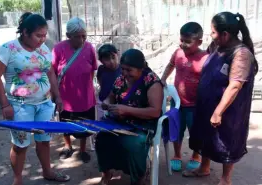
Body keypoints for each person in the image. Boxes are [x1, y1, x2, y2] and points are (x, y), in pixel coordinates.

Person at [0, 12, 70, 185]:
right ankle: (17, 180)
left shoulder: (44, 49)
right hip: (20, 106)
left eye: (44, 35)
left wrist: (58, 97)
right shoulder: (7, 49)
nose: (42, 39)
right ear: (25, 32)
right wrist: (4, 105)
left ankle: (47, 172)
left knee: (44, 140)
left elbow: (50, 73)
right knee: (20, 145)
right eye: (38, 35)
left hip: (44, 104)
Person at [183, 12, 258, 185]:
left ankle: (225, 179)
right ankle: (204, 167)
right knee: (205, 135)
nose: (211, 35)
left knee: (226, 140)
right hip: (207, 103)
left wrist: (218, 112)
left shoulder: (241, 54)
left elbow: (235, 85)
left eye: (213, 32)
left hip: (229, 109)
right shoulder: (217, 46)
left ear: (225, 34)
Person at [95, 49, 163, 185]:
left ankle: (138, 178)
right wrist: (107, 104)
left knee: (132, 144)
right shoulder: (121, 79)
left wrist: (127, 110)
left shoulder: (152, 81)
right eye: (123, 69)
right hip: (121, 121)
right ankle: (107, 172)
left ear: (141, 68)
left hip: (143, 125)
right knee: (102, 138)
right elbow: (111, 96)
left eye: (129, 70)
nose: (125, 73)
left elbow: (155, 112)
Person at [161, 22, 209, 172]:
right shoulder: (178, 53)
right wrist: (162, 80)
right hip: (177, 103)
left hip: (195, 105)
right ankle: (177, 155)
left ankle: (196, 156)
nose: (183, 44)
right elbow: (170, 65)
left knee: (196, 133)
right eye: (181, 40)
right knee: (176, 129)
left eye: (188, 41)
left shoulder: (206, 58)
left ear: (199, 42)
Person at [52, 17, 97, 163]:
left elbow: (93, 70)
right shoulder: (58, 48)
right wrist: (56, 94)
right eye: (78, 37)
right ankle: (68, 146)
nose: (82, 40)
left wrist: (86, 87)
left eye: (84, 36)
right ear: (68, 36)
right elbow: (52, 72)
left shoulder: (89, 48)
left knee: (86, 125)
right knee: (66, 123)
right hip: (66, 97)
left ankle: (83, 150)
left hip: (85, 96)